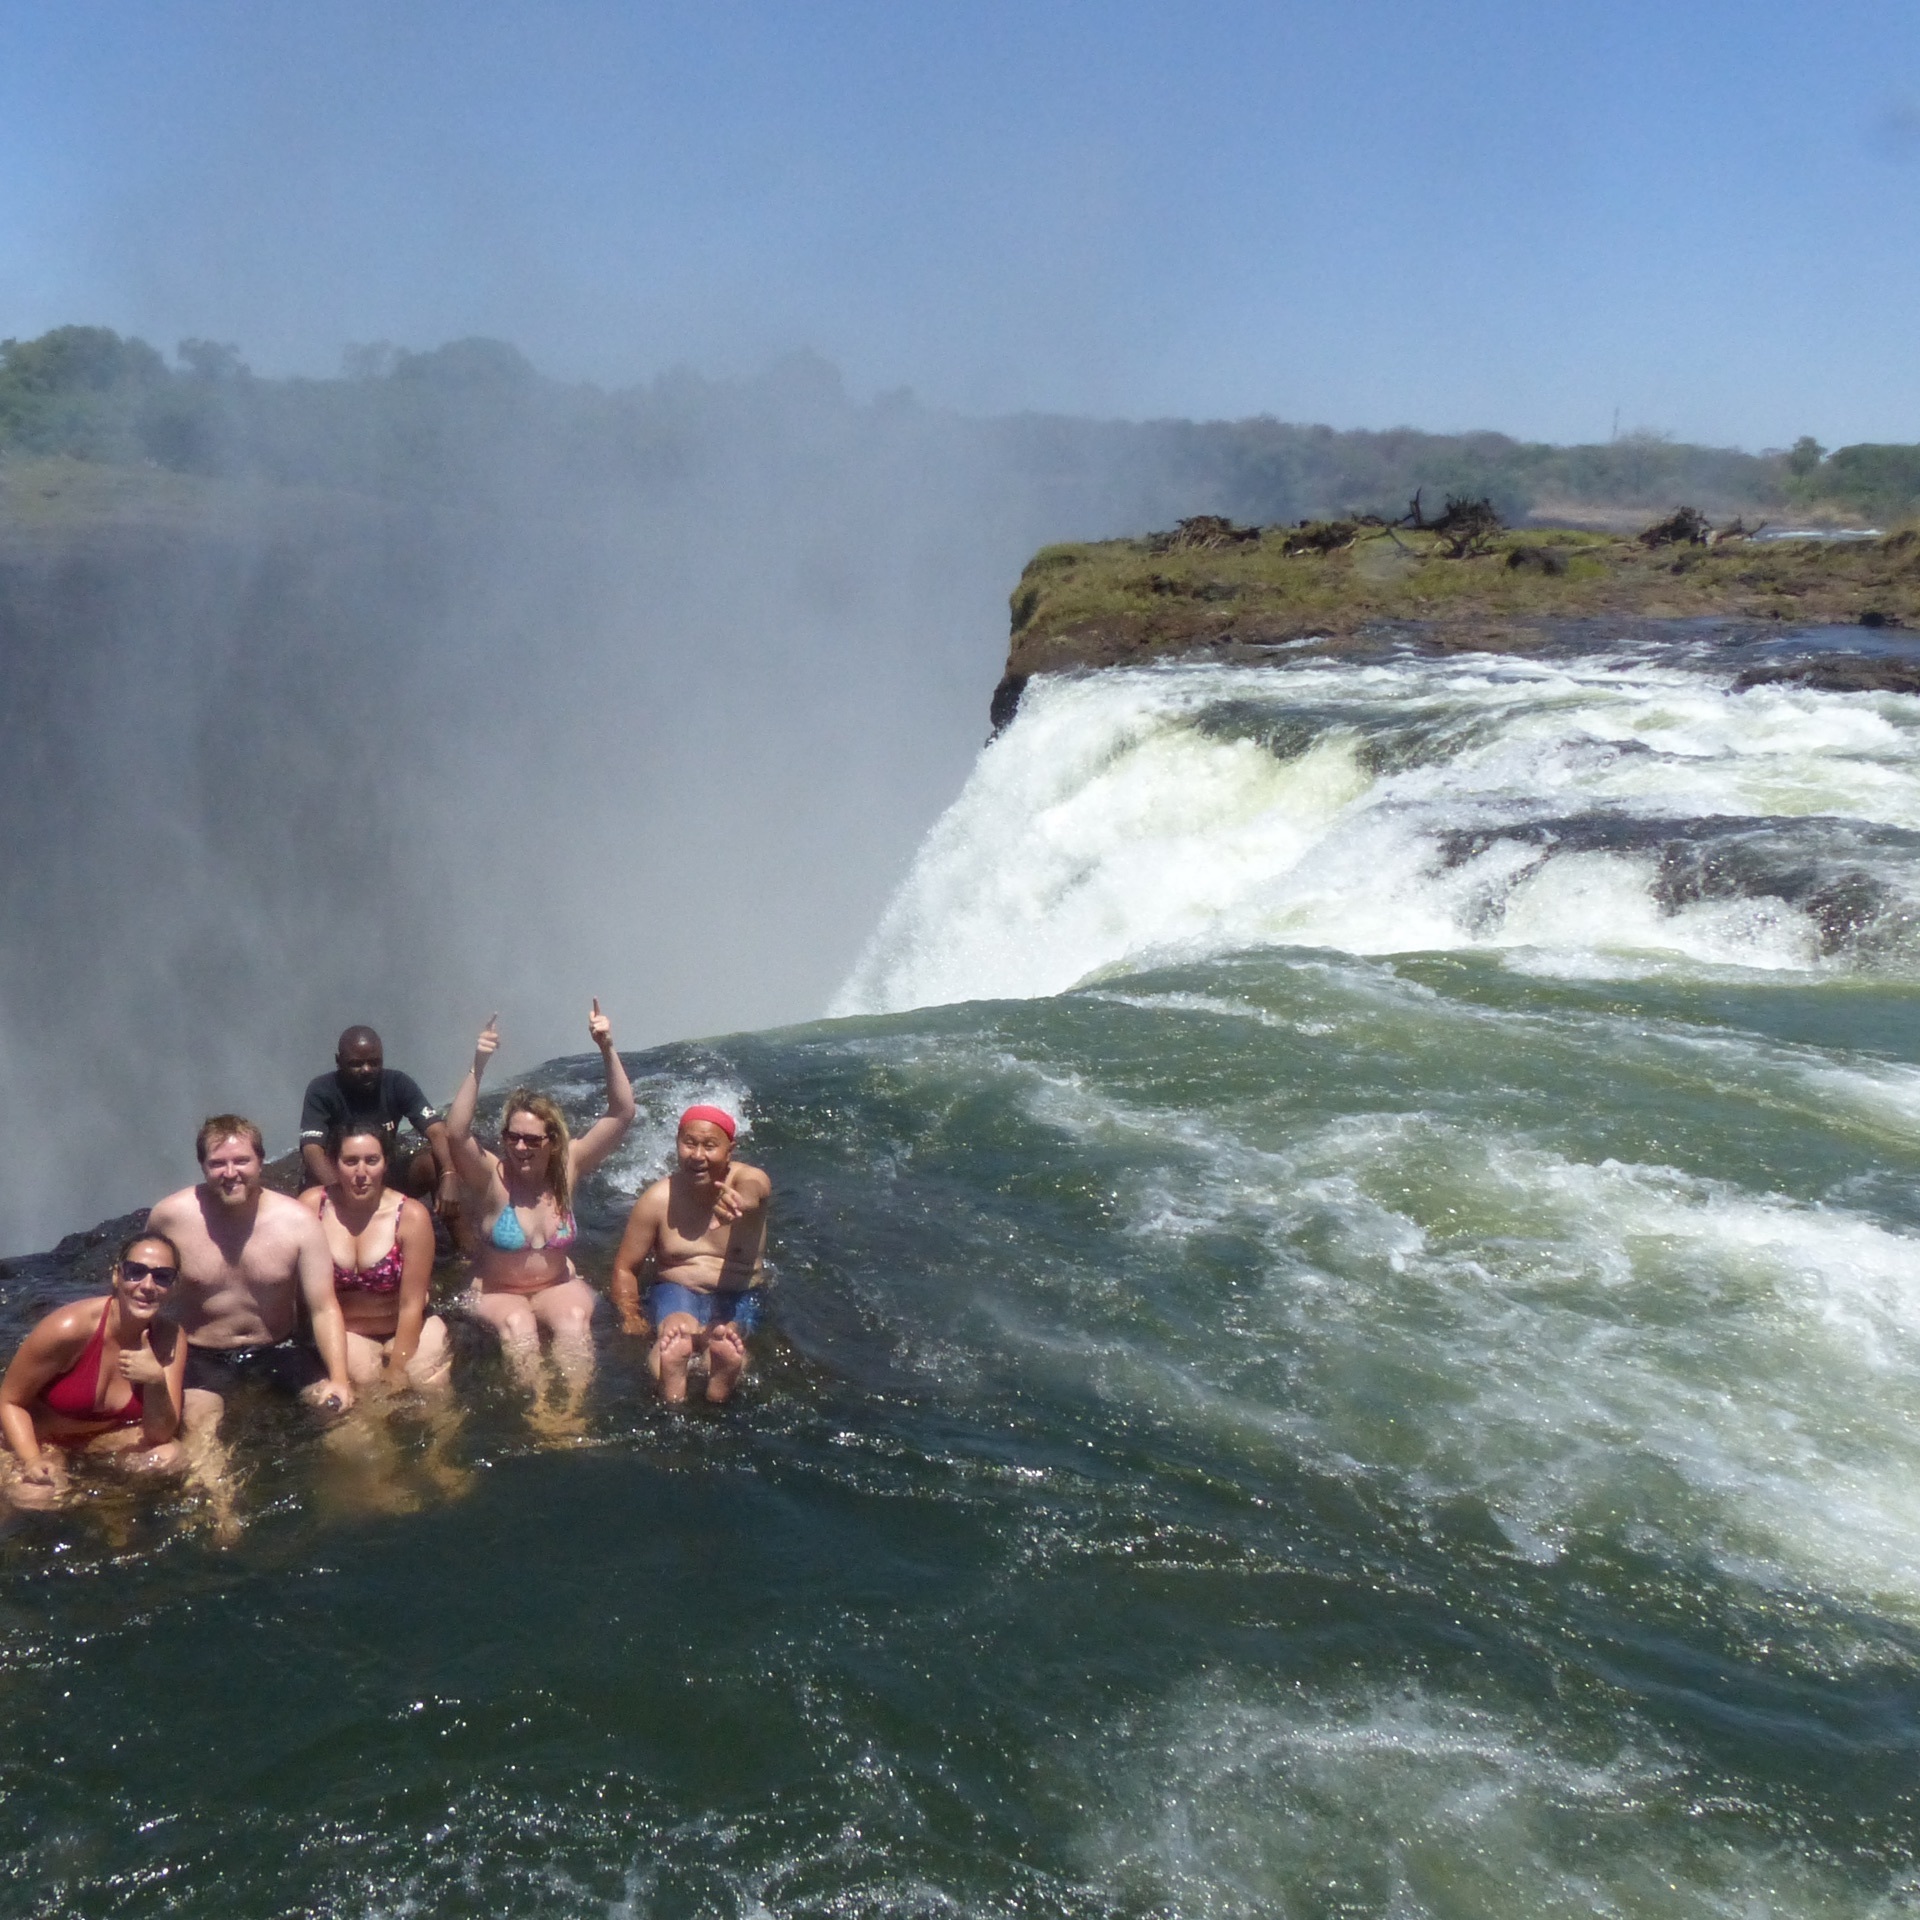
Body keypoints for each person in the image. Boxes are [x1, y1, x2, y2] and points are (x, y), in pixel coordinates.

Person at [446, 1003, 635, 1418]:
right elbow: (455, 1132)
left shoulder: (570, 1166)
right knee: (519, 1327)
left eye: (532, 1140)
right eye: (513, 1138)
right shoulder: (491, 1177)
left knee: (571, 1319)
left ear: (552, 1140)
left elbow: (622, 1113)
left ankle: (571, 1412)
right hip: (497, 1291)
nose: (519, 1148)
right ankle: (538, 1412)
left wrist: (607, 1048)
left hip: (556, 1284)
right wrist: (478, 1066)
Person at [146, 1115, 356, 1437]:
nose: (231, 1174)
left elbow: (323, 1307)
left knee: (342, 1418)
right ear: (202, 1165)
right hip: (202, 1354)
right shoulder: (169, 1218)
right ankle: (212, 1490)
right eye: (218, 1164)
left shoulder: (298, 1223)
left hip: (279, 1348)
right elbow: (143, 1293)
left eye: (241, 1161)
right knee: (200, 1428)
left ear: (261, 1161)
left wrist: (340, 1379)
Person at [0, 1231, 190, 1507]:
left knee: (168, 1458)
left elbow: (159, 1435)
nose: (148, 1285)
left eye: (162, 1277)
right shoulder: (68, 1329)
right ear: (117, 1276)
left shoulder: (170, 1338)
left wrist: (156, 1380)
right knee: (36, 1495)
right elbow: (9, 1401)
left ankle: (103, 1508)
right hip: (40, 1441)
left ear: (174, 1287)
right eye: (136, 1272)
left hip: (102, 1443)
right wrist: (31, 1459)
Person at [610, 1105, 772, 1405]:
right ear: (677, 1143)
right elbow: (625, 1267)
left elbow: (755, 1188)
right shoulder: (657, 1199)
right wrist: (630, 1315)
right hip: (676, 1288)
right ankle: (673, 1382)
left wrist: (740, 1202)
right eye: (689, 1143)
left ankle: (720, 1376)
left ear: (729, 1150)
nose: (697, 1155)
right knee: (674, 1331)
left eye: (710, 1146)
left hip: (739, 1290)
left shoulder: (747, 1180)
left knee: (727, 1337)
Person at [299, 1120, 448, 1391]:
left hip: (410, 1323)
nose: (361, 1172)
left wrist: (398, 1367)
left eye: (371, 1160)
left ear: (386, 1163)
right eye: (350, 1161)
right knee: (366, 1388)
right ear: (333, 1163)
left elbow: (411, 1304)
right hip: (349, 1331)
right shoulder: (312, 1207)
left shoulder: (411, 1216)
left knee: (429, 1383)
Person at [299, 1026, 458, 1219]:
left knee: (435, 1166)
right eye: (356, 1064)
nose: (366, 1070)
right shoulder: (321, 1090)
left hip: (379, 1175)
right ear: (338, 1061)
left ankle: (466, 1246)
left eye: (374, 1062)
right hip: (335, 1180)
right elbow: (312, 1150)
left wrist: (449, 1173)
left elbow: (437, 1130)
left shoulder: (397, 1083)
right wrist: (343, 1194)